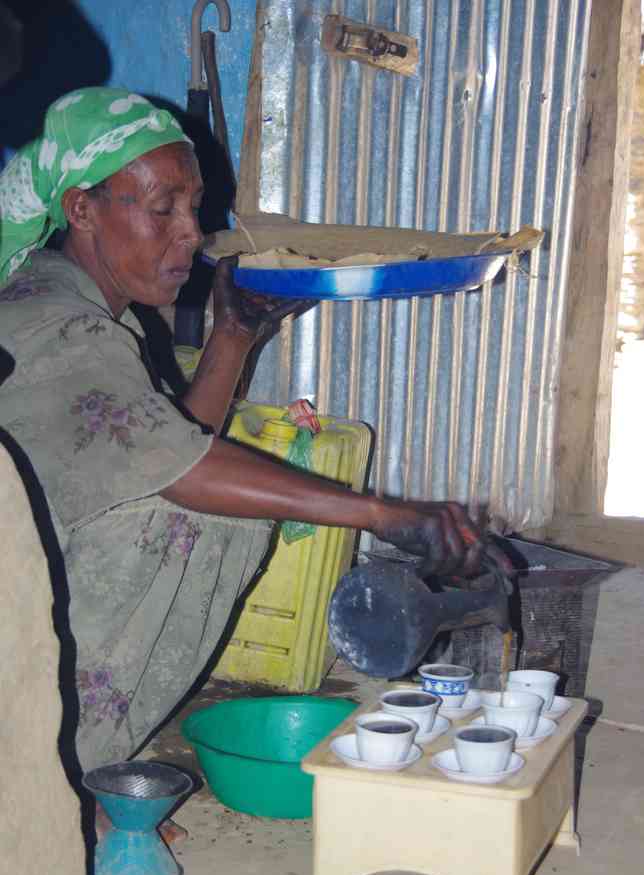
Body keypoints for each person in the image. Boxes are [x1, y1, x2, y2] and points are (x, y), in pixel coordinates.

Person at [0, 87, 499, 782]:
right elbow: (181, 467)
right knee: (204, 518)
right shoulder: (57, 323)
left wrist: (235, 332)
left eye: (193, 206)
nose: (190, 233)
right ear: (82, 210)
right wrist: (386, 514)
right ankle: (55, 771)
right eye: (162, 208)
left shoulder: (78, 300)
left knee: (220, 498)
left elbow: (169, 440)